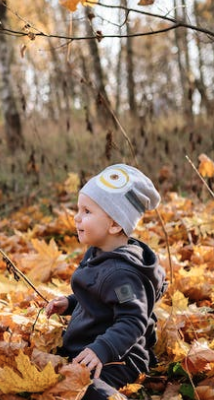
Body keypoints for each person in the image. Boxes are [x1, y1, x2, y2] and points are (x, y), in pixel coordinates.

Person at [46, 164, 167, 400]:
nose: (76, 217)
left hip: (119, 358)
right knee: (58, 377)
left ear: (114, 225)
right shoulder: (98, 251)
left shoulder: (122, 274)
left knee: (86, 390)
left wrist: (104, 349)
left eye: (87, 212)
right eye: (78, 209)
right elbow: (100, 296)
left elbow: (133, 318)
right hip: (89, 347)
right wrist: (71, 303)